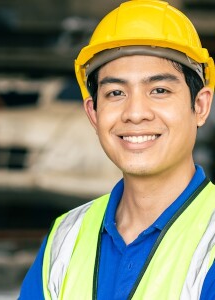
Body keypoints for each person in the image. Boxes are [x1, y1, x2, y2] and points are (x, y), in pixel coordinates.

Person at [19, 0, 215, 299]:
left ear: (200, 106)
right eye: (115, 93)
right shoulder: (66, 236)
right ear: (93, 114)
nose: (135, 113)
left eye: (159, 90)